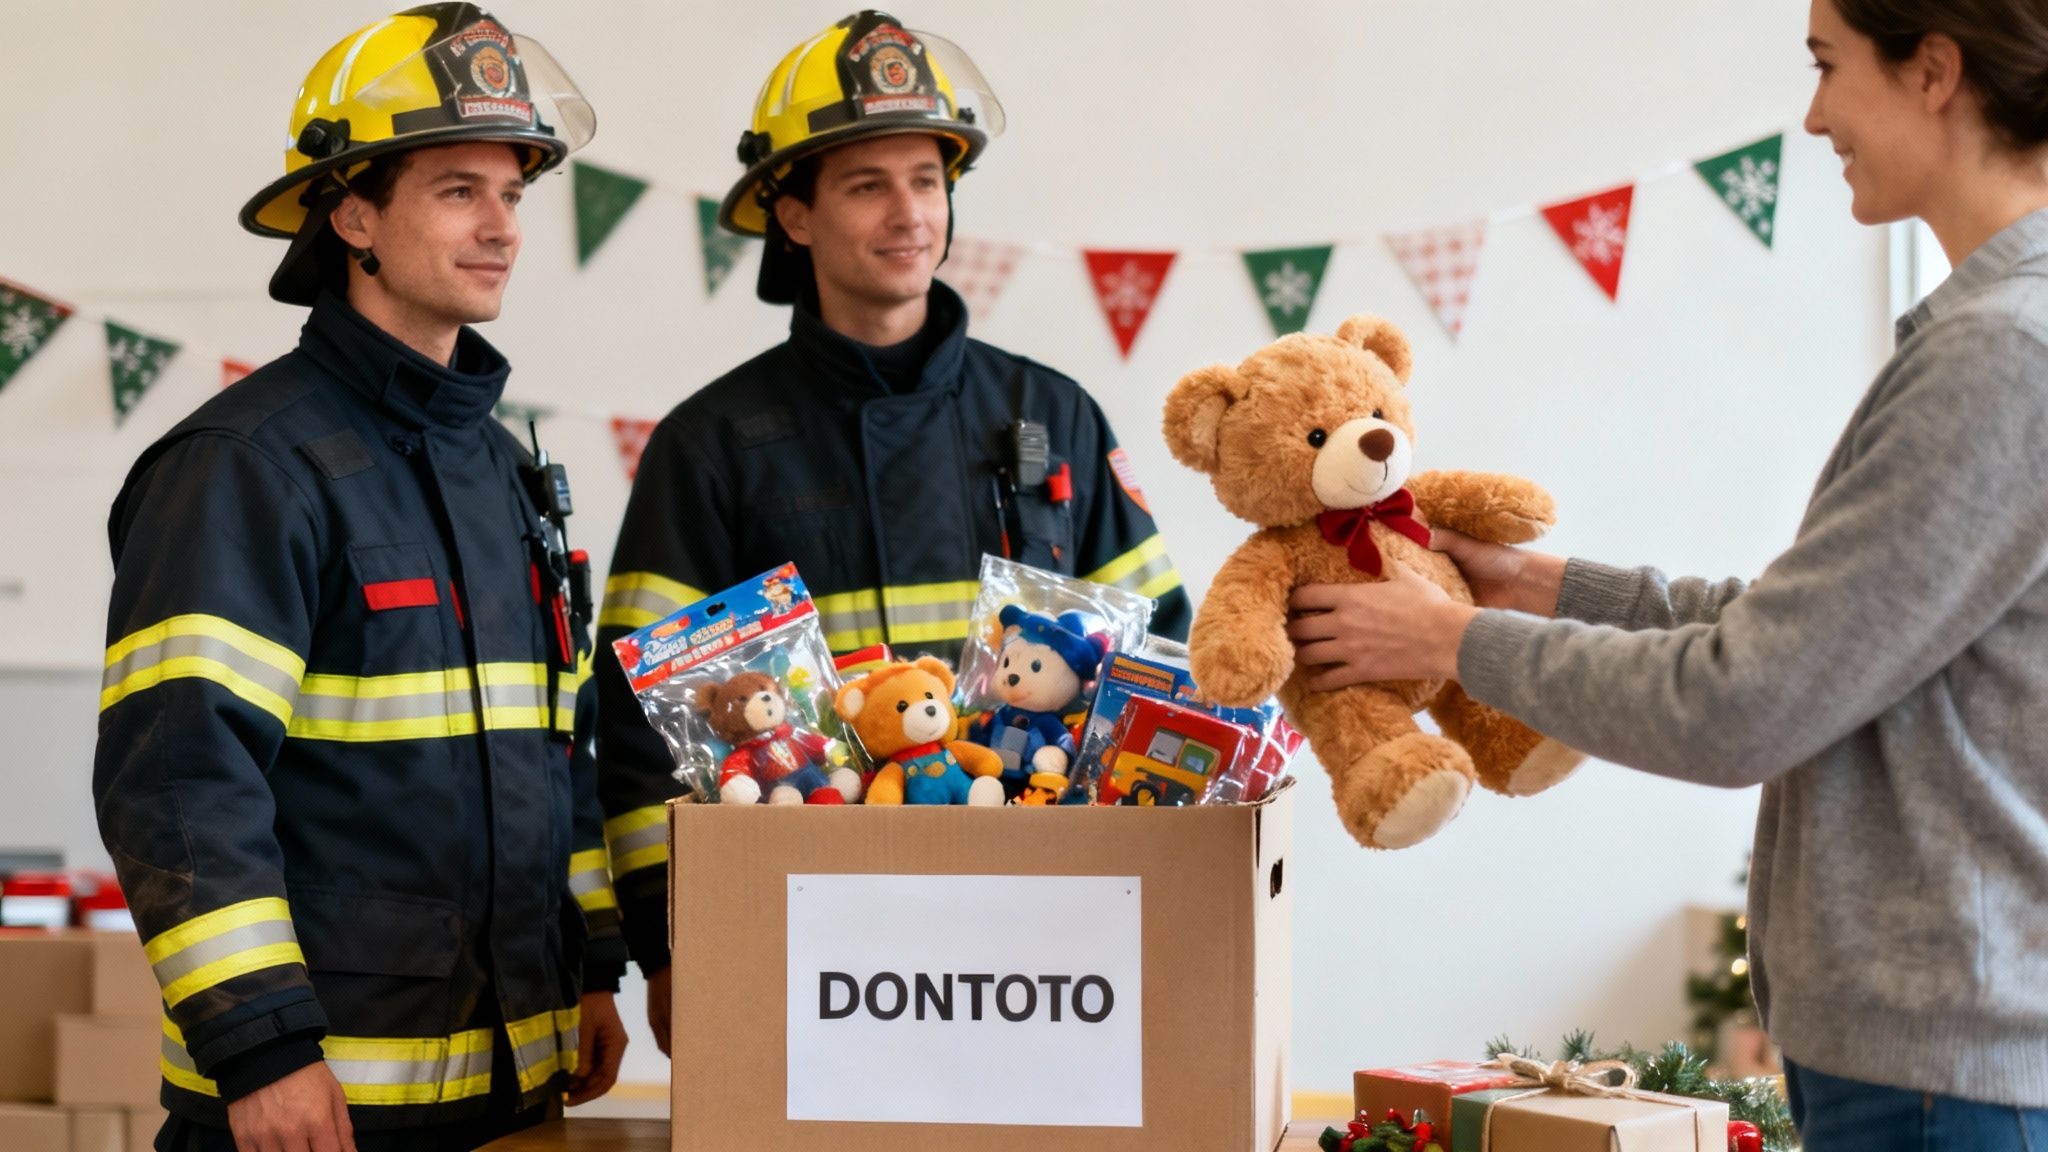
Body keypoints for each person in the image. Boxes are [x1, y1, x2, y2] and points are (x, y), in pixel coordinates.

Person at [1284, 1, 2048, 1146]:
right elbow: (1804, 633)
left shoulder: (1998, 355)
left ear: (1932, 69)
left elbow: (1745, 702)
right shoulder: (1989, 336)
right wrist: (1535, 584)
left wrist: (1445, 645)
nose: (1812, 113)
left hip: (1945, 1076)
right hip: (1938, 1060)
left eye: (1828, 67)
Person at [592, 10, 1192, 1053]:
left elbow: (1168, 662)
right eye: (867, 184)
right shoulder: (711, 445)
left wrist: (1174, 896)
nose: (908, 211)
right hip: (799, 938)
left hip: (1047, 940)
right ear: (793, 214)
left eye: (926, 178)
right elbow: (641, 726)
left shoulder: (1052, 420)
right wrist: (671, 945)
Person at [93, 6, 627, 1149]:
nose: (501, 228)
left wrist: (591, 964)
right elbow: (181, 781)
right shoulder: (243, 467)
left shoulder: (502, 467)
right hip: (311, 1110)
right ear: (352, 215)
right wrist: (263, 1049)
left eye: (512, 194)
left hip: (514, 1087)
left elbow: (555, 744)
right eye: (457, 191)